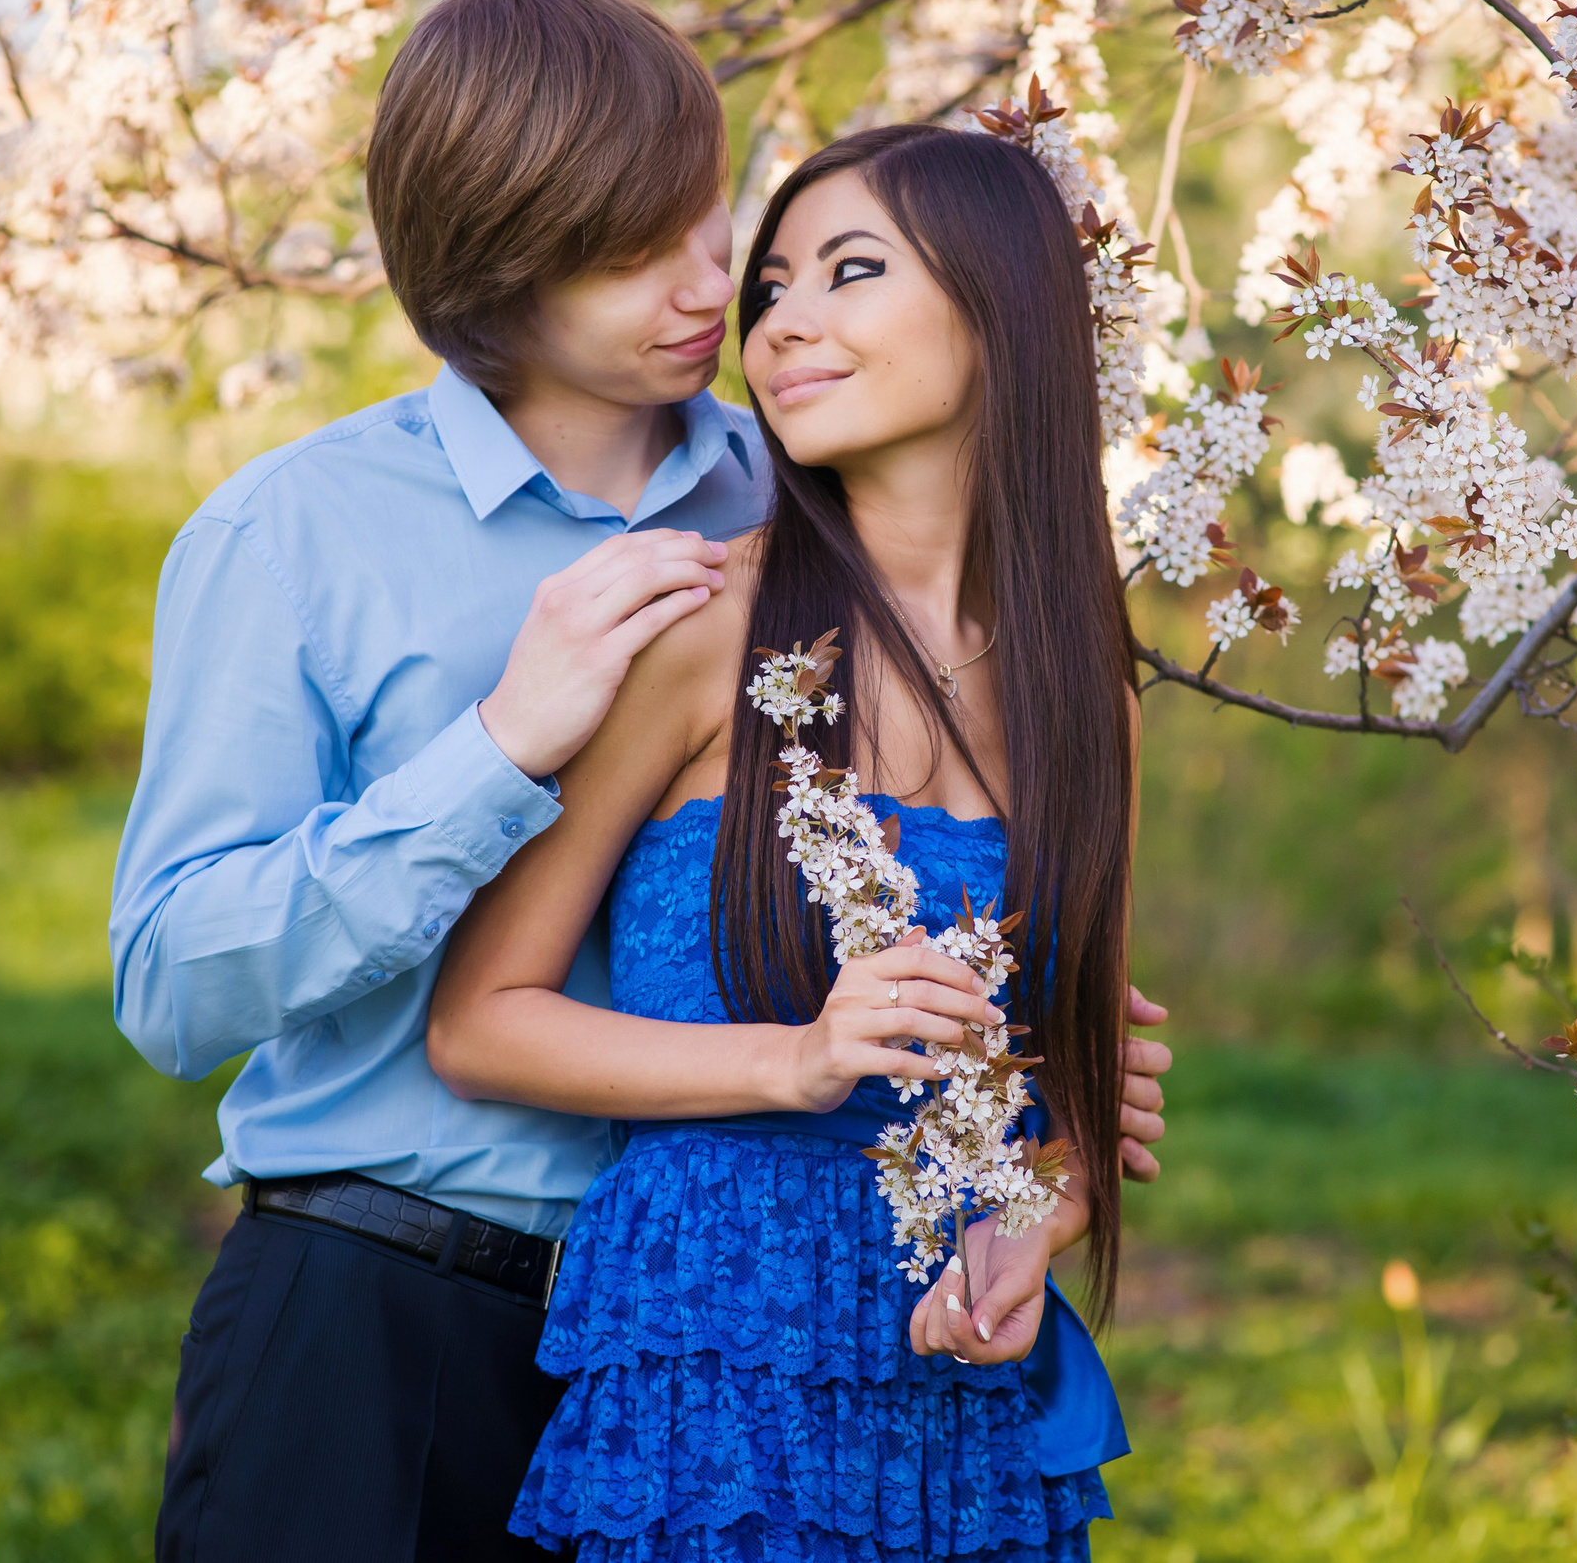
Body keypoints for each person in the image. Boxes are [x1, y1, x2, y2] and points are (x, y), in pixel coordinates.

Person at [109, 0, 1172, 1563]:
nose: (716, 294)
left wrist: (1056, 1093)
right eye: (632, 251)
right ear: (498, 272)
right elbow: (171, 983)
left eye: (709, 224)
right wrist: (498, 747)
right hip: (387, 1300)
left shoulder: (798, 499)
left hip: (732, 1334)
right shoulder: (300, 535)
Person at [426, 122, 1139, 1562]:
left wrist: (1039, 1219)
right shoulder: (705, 628)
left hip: (958, 1389)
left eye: (850, 272)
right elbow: (480, 1019)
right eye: (772, 290)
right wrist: (796, 1058)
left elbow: (1068, 1090)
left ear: (1001, 305)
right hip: (714, 1353)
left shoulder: (1084, 681)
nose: (781, 323)